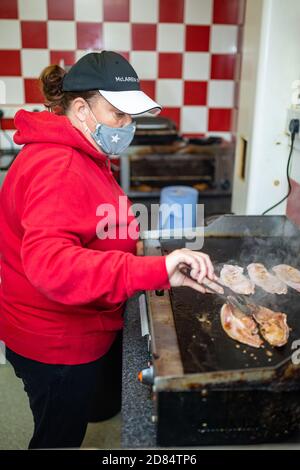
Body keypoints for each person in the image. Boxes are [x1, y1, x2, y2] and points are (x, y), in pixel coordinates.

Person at [0, 51, 216, 449]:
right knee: (57, 439)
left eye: (131, 116)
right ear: (81, 108)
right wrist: (154, 268)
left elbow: (88, 223)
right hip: (56, 343)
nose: (127, 126)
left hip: (63, 330)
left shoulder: (82, 150)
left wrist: (138, 248)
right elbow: (53, 266)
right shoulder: (59, 165)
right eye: (119, 114)